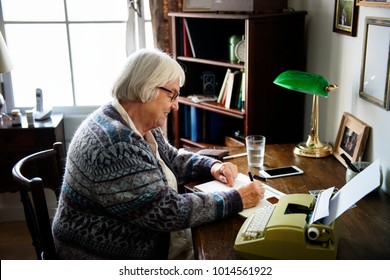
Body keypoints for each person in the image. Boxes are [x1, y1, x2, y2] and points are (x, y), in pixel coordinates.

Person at [52, 48, 265, 260]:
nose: (175, 106)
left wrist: (211, 166)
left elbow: (171, 159)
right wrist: (236, 198)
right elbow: (166, 212)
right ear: (147, 88)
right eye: (171, 94)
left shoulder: (134, 121)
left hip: (138, 241)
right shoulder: (116, 144)